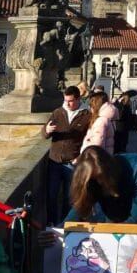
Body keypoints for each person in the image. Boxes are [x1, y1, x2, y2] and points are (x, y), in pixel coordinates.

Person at [67, 146, 137, 225]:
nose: (99, 182)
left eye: (100, 176)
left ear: (109, 169)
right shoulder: (91, 179)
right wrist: (60, 229)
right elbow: (80, 205)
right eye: (94, 179)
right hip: (116, 215)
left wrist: (113, 234)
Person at [42, 86, 90, 224]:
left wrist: (80, 157)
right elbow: (44, 134)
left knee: (69, 199)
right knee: (52, 195)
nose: (67, 104)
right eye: (65, 100)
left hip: (72, 162)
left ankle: (66, 225)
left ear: (78, 99)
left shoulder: (86, 115)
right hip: (54, 161)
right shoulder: (58, 112)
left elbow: (89, 139)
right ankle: (52, 224)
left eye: (70, 101)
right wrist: (47, 130)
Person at [82, 92, 117, 156]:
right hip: (104, 157)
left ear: (96, 106)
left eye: (91, 105)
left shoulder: (101, 121)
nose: (90, 108)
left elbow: (97, 145)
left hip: (95, 160)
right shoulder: (107, 118)